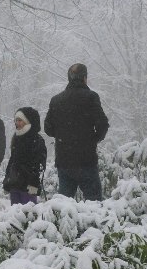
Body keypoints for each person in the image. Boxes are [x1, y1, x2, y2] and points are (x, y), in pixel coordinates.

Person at [44, 63, 109, 201]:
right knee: (94, 203)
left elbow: (48, 128)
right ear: (84, 78)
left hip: (64, 160)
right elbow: (103, 124)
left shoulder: (56, 100)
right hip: (86, 159)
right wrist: (93, 139)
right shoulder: (91, 97)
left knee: (63, 206)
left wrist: (63, 135)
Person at [3, 107, 46, 205]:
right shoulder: (17, 138)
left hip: (28, 186)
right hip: (15, 184)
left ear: (28, 121)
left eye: (20, 120)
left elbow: (38, 164)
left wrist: (34, 184)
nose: (16, 123)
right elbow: (12, 161)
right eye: (16, 120)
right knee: (15, 215)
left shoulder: (37, 140)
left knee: (28, 214)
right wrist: (7, 180)